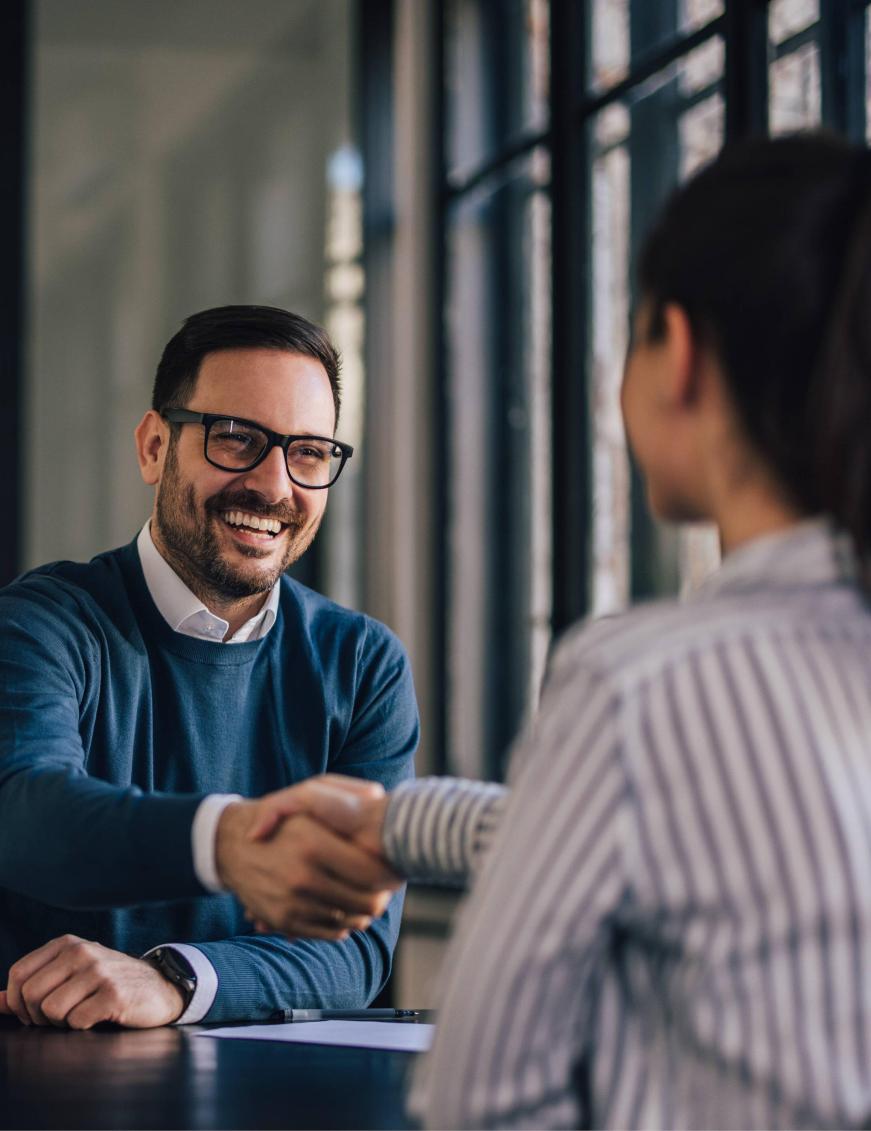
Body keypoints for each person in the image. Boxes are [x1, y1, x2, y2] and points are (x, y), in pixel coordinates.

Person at [245, 133, 871, 1129]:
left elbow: (480, 1102)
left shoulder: (639, 684)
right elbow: (720, 837)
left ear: (680, 353)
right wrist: (396, 821)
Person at [0, 305, 417, 1030]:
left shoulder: (363, 664)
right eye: (235, 439)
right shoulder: (43, 622)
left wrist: (176, 979)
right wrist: (227, 842)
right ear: (154, 446)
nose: (274, 485)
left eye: (309, 452)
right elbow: (26, 816)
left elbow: (356, 948)